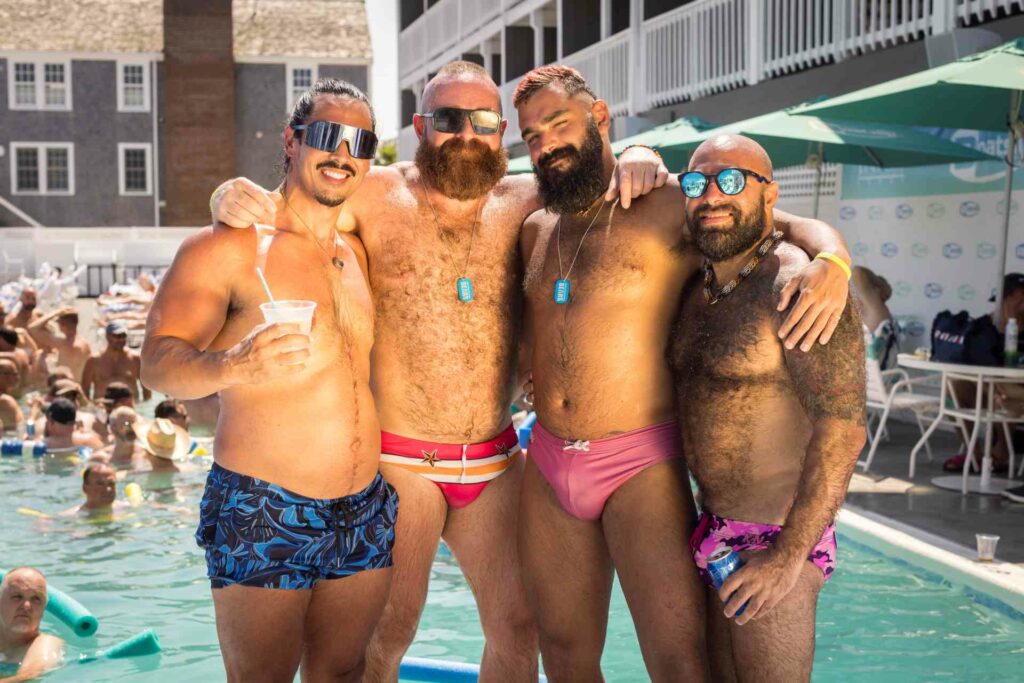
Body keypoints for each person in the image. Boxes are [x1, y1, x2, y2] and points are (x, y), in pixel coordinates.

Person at [209, 60, 673, 681]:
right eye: (448, 120)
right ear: (421, 126)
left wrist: (643, 151)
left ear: (502, 130)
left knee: (520, 628)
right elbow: (292, 210)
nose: (465, 134)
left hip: (497, 459)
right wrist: (226, 197)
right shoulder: (375, 196)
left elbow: (592, 173)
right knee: (384, 637)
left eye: (481, 122)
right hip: (402, 464)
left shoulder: (528, 200)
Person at [515, 66, 853, 680]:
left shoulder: (674, 201)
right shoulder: (535, 227)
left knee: (676, 662)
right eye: (532, 135)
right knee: (561, 653)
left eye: (558, 124)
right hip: (547, 457)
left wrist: (833, 256)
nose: (545, 144)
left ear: (600, 119)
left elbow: (775, 225)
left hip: (637, 460)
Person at [141, 78, 397, 682]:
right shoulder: (224, 248)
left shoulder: (357, 251)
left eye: (360, 141)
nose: (342, 153)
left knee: (344, 673)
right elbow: (156, 366)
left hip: (363, 508)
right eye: (327, 135)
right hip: (264, 504)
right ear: (292, 139)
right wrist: (235, 365)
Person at [669, 134, 866, 681]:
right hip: (712, 530)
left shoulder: (798, 285)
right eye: (697, 182)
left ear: (771, 195)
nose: (712, 195)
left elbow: (844, 429)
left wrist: (786, 559)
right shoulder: (697, 287)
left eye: (732, 181)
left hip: (776, 536)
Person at [0, 567, 64, 682]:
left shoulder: (46, 644)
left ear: (43, 610)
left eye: (36, 599)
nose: (27, 606)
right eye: (17, 597)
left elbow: (28, 677)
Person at [82, 323, 150, 403]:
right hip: (103, 407)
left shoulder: (135, 359)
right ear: (107, 336)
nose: (121, 340)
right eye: (117, 336)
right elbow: (85, 388)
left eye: (123, 336)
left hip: (130, 407)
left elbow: (146, 388)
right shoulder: (94, 360)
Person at [26, 306, 91, 380]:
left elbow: (32, 328)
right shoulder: (86, 345)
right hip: (78, 386)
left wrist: (55, 313)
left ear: (62, 324)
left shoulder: (62, 344)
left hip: (65, 385)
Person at [851, 266, 898, 369]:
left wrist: (882, 284)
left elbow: (857, 271)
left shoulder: (876, 313)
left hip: (867, 382)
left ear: (876, 291)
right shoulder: (875, 315)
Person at [0, 359, 24, 433]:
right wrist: (35, 408)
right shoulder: (6, 401)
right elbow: (22, 429)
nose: (18, 377)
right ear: (2, 376)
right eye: (15, 373)